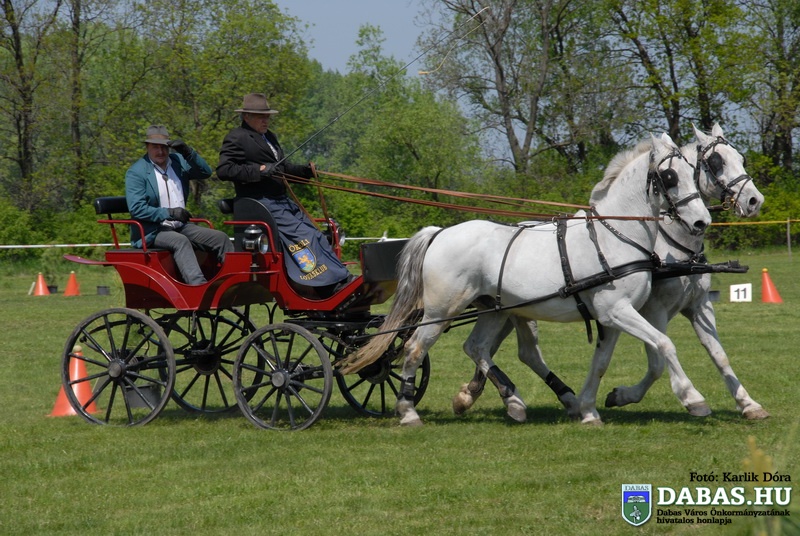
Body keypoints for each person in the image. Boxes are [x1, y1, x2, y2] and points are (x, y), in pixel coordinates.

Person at [216, 93, 352, 294]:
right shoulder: (237, 137)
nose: (266, 120)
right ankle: (325, 286)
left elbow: (282, 168)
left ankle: (339, 276)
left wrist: (304, 172)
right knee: (304, 235)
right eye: (261, 117)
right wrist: (259, 170)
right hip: (260, 202)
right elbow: (224, 170)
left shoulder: (269, 137)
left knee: (316, 233)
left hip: (281, 201)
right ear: (246, 116)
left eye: (267, 116)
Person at [126, 125, 233, 285]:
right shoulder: (137, 172)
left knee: (220, 238)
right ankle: (198, 287)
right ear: (147, 147)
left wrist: (188, 153)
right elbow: (137, 209)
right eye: (155, 147)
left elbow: (205, 172)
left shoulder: (178, 161)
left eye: (164, 147)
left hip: (180, 226)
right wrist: (169, 213)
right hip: (152, 230)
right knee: (180, 241)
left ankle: (231, 281)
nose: (160, 151)